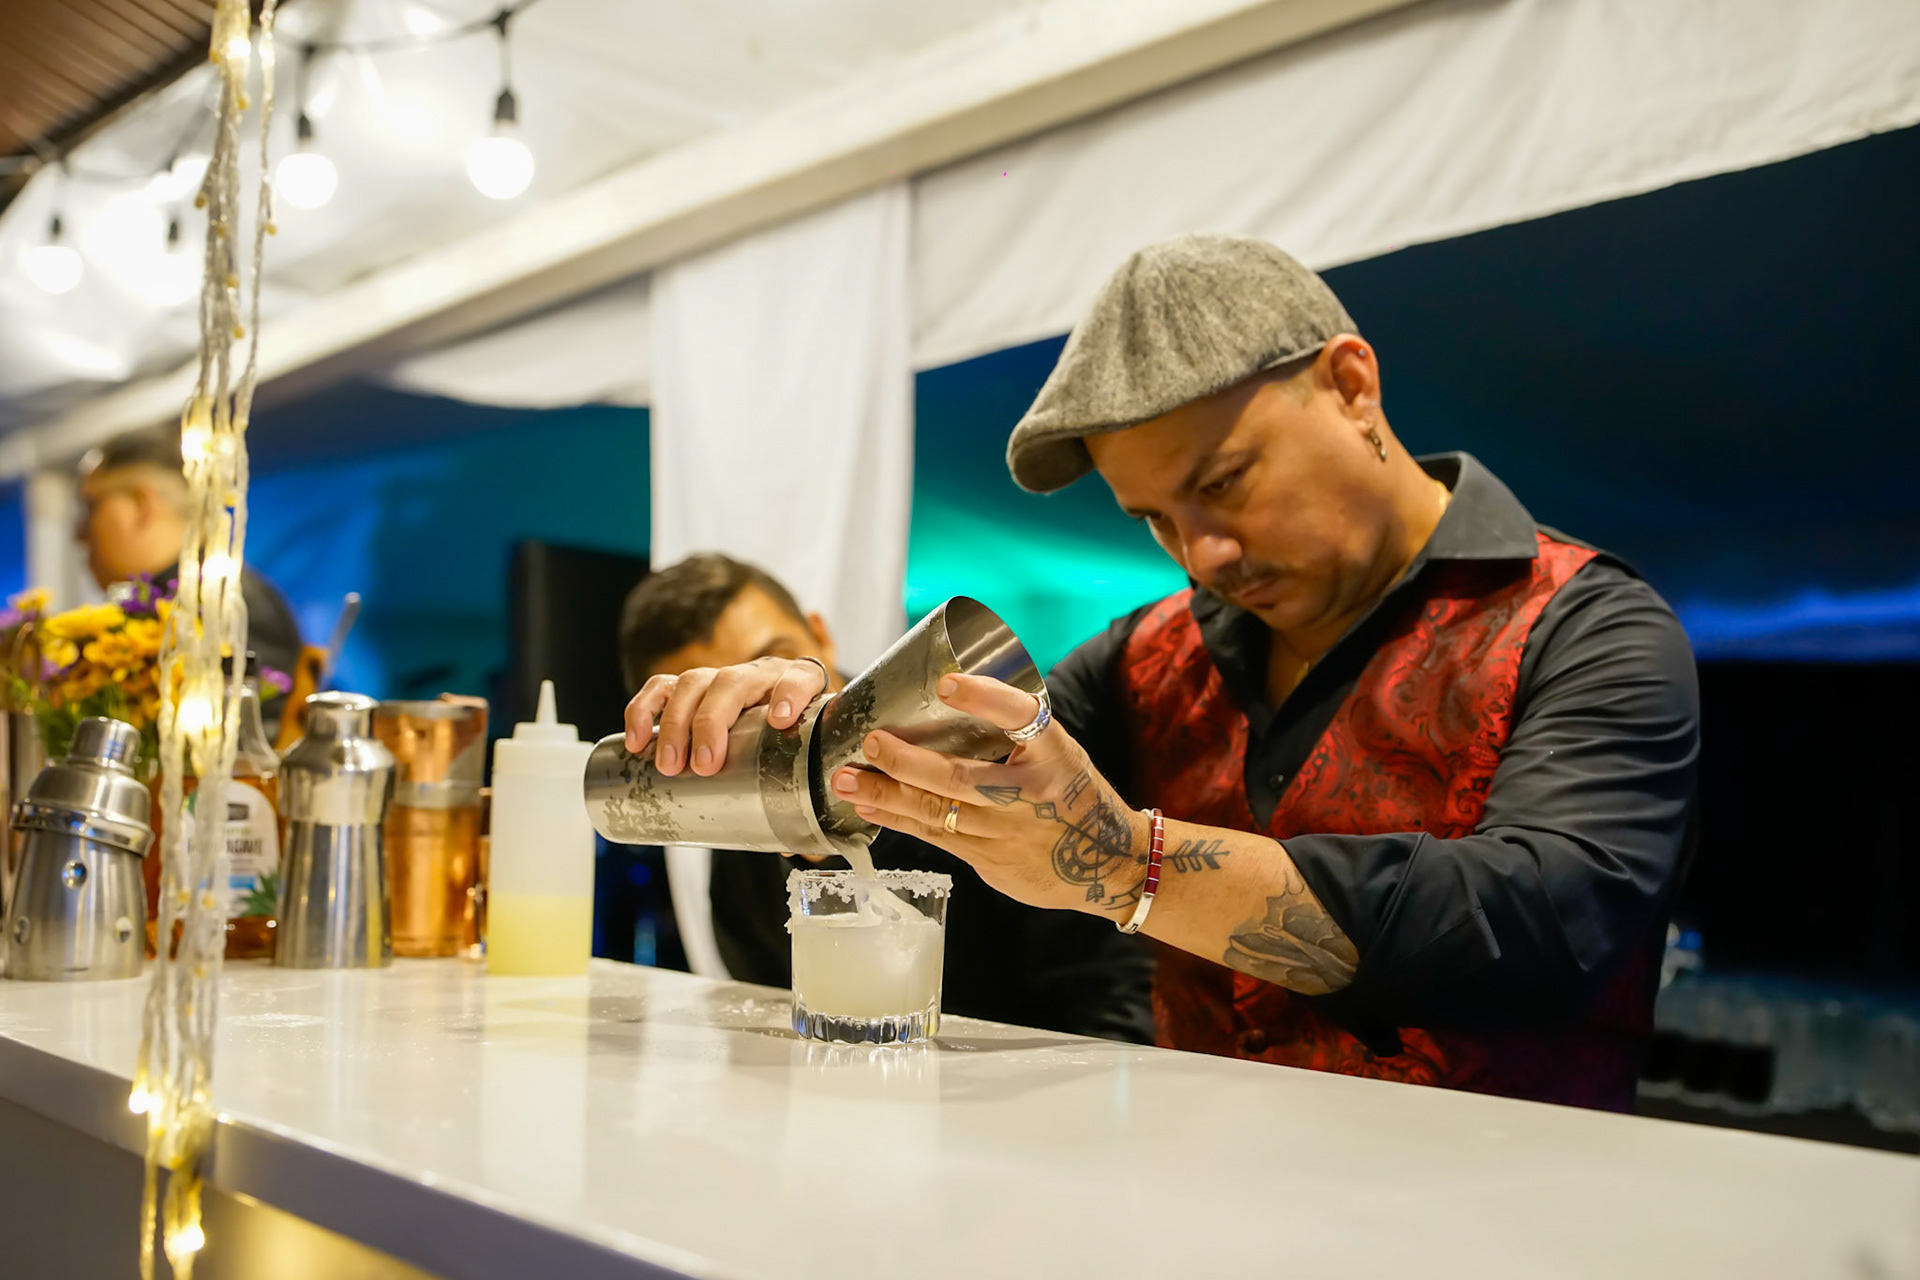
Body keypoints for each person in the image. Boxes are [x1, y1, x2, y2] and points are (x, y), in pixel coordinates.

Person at [626, 235, 1700, 1111]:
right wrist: (800, 736)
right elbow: (939, 805)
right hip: (1192, 1212)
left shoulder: (1587, 627)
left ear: (1351, 385)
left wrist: (1126, 862)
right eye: (1156, 519)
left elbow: (1539, 930)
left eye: (1225, 483)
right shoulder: (1150, 655)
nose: (1205, 555)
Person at [618, 552, 1155, 1044]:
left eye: (772, 659)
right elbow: (768, 1021)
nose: (760, 703)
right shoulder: (737, 835)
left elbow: (1119, 1001)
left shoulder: (989, 762)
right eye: (724, 711)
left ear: (820, 636)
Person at [76, 426, 303, 679]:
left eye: (91, 507)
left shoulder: (230, 607)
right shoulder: (176, 604)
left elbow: (259, 703)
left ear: (142, 503)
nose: (79, 534)